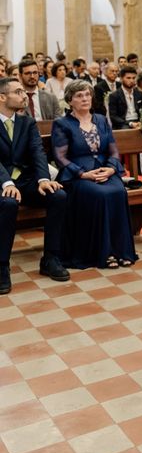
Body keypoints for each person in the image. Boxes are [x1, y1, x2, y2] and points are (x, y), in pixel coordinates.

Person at [51, 80, 137, 269]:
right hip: (77, 175)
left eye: (88, 94)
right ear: (69, 100)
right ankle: (104, 253)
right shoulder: (62, 124)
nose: (85, 99)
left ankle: (121, 250)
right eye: (79, 96)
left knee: (118, 191)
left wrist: (112, 168)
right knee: (101, 194)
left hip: (105, 170)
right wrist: (83, 174)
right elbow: (60, 157)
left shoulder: (100, 119)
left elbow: (114, 150)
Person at [0, 77, 69, 293]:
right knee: (8, 203)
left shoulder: (27, 122)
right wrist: (6, 182)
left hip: (27, 181)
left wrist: (43, 179)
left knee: (57, 196)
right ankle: (2, 266)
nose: (24, 95)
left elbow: (38, 152)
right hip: (1, 182)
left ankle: (50, 258)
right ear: (2, 97)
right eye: (18, 92)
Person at [108, 66, 142, 130]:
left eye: (134, 78)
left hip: (138, 121)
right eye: (128, 78)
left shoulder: (139, 94)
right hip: (124, 123)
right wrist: (130, 123)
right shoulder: (114, 96)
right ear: (121, 79)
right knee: (127, 130)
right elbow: (113, 117)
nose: (131, 80)